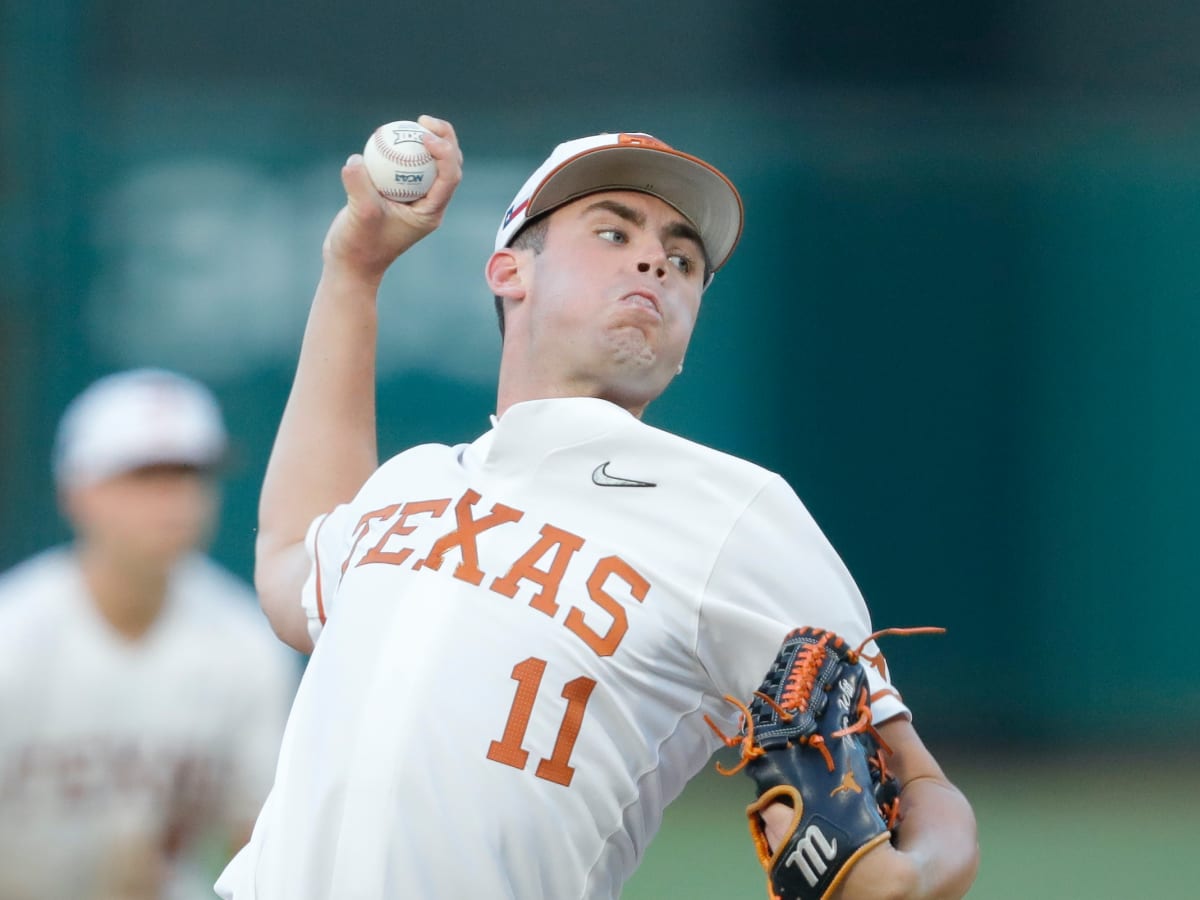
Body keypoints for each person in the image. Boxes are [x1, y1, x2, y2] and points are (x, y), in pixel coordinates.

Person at [216, 117, 979, 899]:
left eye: (683, 260)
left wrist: (911, 879)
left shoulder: (735, 511)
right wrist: (352, 270)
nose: (655, 258)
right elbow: (287, 562)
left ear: (686, 339)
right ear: (510, 271)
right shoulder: (415, 483)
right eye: (612, 232)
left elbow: (921, 785)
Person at [0, 368, 299, 900]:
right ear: (77, 491)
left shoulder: (244, 644)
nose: (173, 499)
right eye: (144, 476)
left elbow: (260, 844)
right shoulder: (14, 635)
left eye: (189, 476)